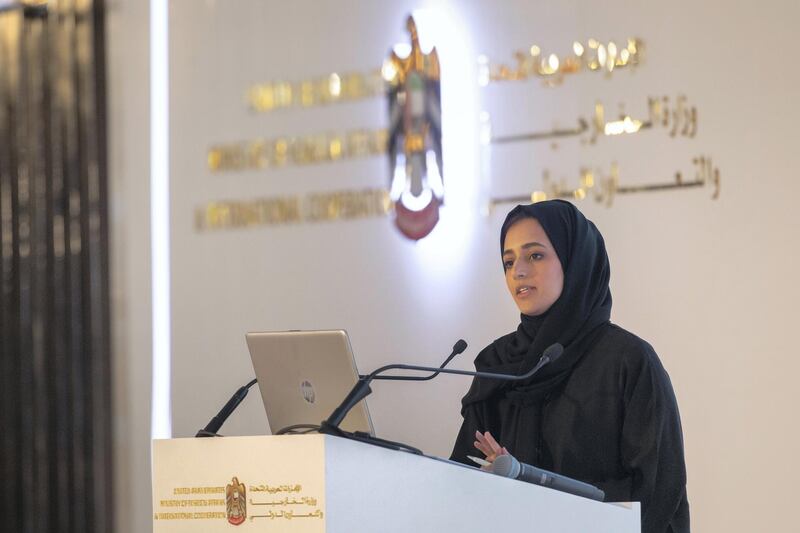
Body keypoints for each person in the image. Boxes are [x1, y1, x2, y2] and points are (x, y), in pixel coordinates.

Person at [450, 200, 690, 533]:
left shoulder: (628, 362)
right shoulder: (498, 364)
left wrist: (533, 489)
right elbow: (459, 484)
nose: (518, 271)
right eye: (508, 261)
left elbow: (655, 491)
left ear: (575, 260)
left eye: (535, 255)